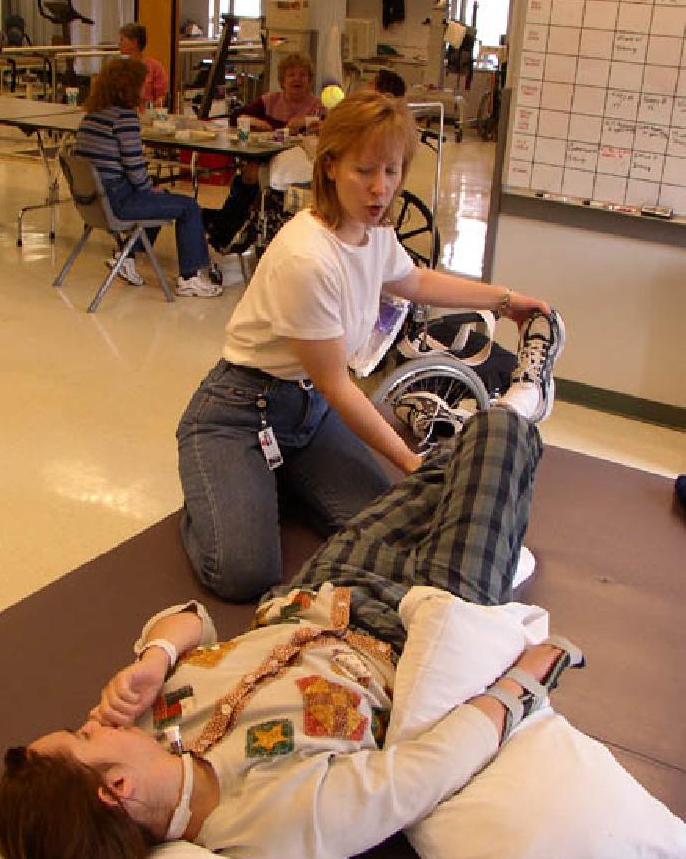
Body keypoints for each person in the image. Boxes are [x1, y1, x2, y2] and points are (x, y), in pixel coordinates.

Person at [0, 363, 584, 859]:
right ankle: (523, 409)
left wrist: (155, 655)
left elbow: (190, 619)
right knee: (503, 436)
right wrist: (524, 684)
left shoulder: (146, 726)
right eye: (84, 738)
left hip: (324, 584)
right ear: (115, 788)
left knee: (448, 468)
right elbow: (421, 776)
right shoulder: (270, 824)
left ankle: (496, 527)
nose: (92, 722)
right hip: (425, 619)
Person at [178, 90, 559, 602]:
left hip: (308, 413)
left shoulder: (372, 233)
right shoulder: (307, 259)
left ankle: (275, 478)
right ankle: (222, 483)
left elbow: (415, 282)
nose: (381, 189)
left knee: (394, 530)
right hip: (240, 412)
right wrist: (410, 462)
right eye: (365, 171)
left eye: (393, 171)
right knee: (243, 573)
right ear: (331, 166)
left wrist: (506, 300)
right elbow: (341, 386)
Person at [75, 58, 220, 297]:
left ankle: (127, 258)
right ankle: (190, 277)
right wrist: (148, 189)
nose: (148, 86)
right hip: (116, 201)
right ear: (129, 86)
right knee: (188, 207)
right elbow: (134, 168)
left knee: (157, 198)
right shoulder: (125, 118)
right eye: (144, 82)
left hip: (93, 201)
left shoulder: (92, 116)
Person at [202, 53, 325, 255]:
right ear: (282, 81)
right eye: (291, 75)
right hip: (265, 154)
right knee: (249, 176)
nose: (297, 79)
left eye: (303, 75)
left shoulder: (317, 106)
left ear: (310, 80)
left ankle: (223, 227)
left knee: (254, 176)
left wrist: (308, 122)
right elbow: (237, 117)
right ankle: (226, 229)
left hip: (295, 163)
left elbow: (331, 127)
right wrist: (257, 122)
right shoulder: (269, 101)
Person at [118, 21, 168, 110]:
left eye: (122, 39)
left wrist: (150, 110)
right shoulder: (118, 67)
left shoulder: (155, 67)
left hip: (146, 115)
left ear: (134, 42)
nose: (119, 43)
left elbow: (161, 97)